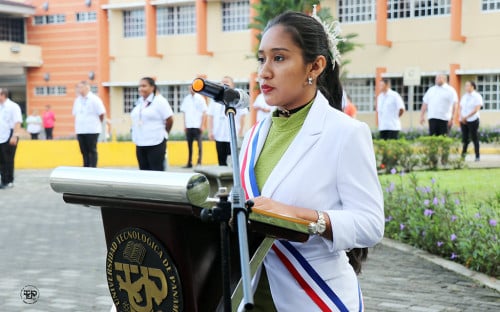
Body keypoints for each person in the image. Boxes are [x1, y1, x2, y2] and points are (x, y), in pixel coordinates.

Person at [239, 10, 384, 311]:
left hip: (314, 295)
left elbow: (371, 224)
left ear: (315, 66)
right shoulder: (253, 137)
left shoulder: (345, 133)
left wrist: (301, 217)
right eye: (261, 59)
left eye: (279, 58)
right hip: (252, 295)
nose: (264, 72)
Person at [130, 77, 174, 171]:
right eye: (139, 86)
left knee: (156, 171)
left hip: (156, 142)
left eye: (144, 86)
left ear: (152, 87)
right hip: (140, 142)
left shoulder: (160, 101)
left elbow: (169, 119)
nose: (140, 88)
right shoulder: (139, 101)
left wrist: (165, 133)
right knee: (143, 171)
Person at [207, 76, 248, 166]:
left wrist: (241, 131)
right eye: (223, 82)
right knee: (221, 161)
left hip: (233, 135)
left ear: (232, 85)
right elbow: (210, 116)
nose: (224, 84)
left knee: (233, 162)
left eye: (227, 82)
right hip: (219, 135)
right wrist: (210, 131)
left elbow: (243, 116)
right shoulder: (215, 98)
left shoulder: (237, 97)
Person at [72, 80, 106, 167]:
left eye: (81, 87)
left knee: (92, 150)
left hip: (92, 129)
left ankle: (93, 168)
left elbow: (101, 113)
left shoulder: (94, 99)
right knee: (83, 151)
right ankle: (85, 168)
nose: (79, 89)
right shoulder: (77, 100)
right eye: (78, 87)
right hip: (80, 130)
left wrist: (97, 123)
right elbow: (75, 114)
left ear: (87, 87)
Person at [0, 88, 23, 189]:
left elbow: (17, 122)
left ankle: (9, 180)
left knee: (8, 159)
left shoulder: (13, 106)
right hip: (1, 135)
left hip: (10, 135)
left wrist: (15, 136)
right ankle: (3, 180)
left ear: (3, 95)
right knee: (1, 160)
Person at [180, 87, 207, 168]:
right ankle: (189, 163)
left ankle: (199, 163)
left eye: (192, 88)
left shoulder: (200, 98)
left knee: (199, 146)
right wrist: (184, 125)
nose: (191, 90)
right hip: (189, 126)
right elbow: (184, 113)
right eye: (190, 89)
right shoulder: (186, 99)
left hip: (197, 126)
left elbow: (204, 112)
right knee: (189, 146)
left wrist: (202, 125)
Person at [459, 81, 483, 161]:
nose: (466, 87)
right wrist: (462, 117)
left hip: (473, 119)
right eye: (465, 86)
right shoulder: (464, 96)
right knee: (465, 138)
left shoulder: (477, 96)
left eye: (468, 85)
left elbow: (476, 109)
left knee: (474, 137)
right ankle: (463, 156)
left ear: (473, 87)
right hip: (463, 120)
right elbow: (461, 108)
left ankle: (477, 156)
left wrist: (467, 117)